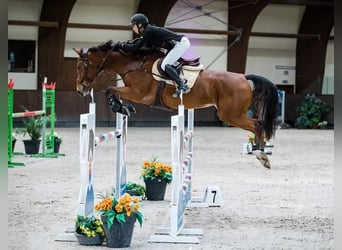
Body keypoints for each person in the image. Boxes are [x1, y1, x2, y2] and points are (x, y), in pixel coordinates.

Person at [120, 13, 191, 97]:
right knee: (165, 63)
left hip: (181, 43)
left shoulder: (148, 31)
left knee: (165, 65)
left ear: (140, 25)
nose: (133, 29)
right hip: (177, 45)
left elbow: (136, 47)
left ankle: (182, 85)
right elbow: (148, 49)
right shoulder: (148, 31)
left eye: (134, 26)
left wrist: (122, 45)